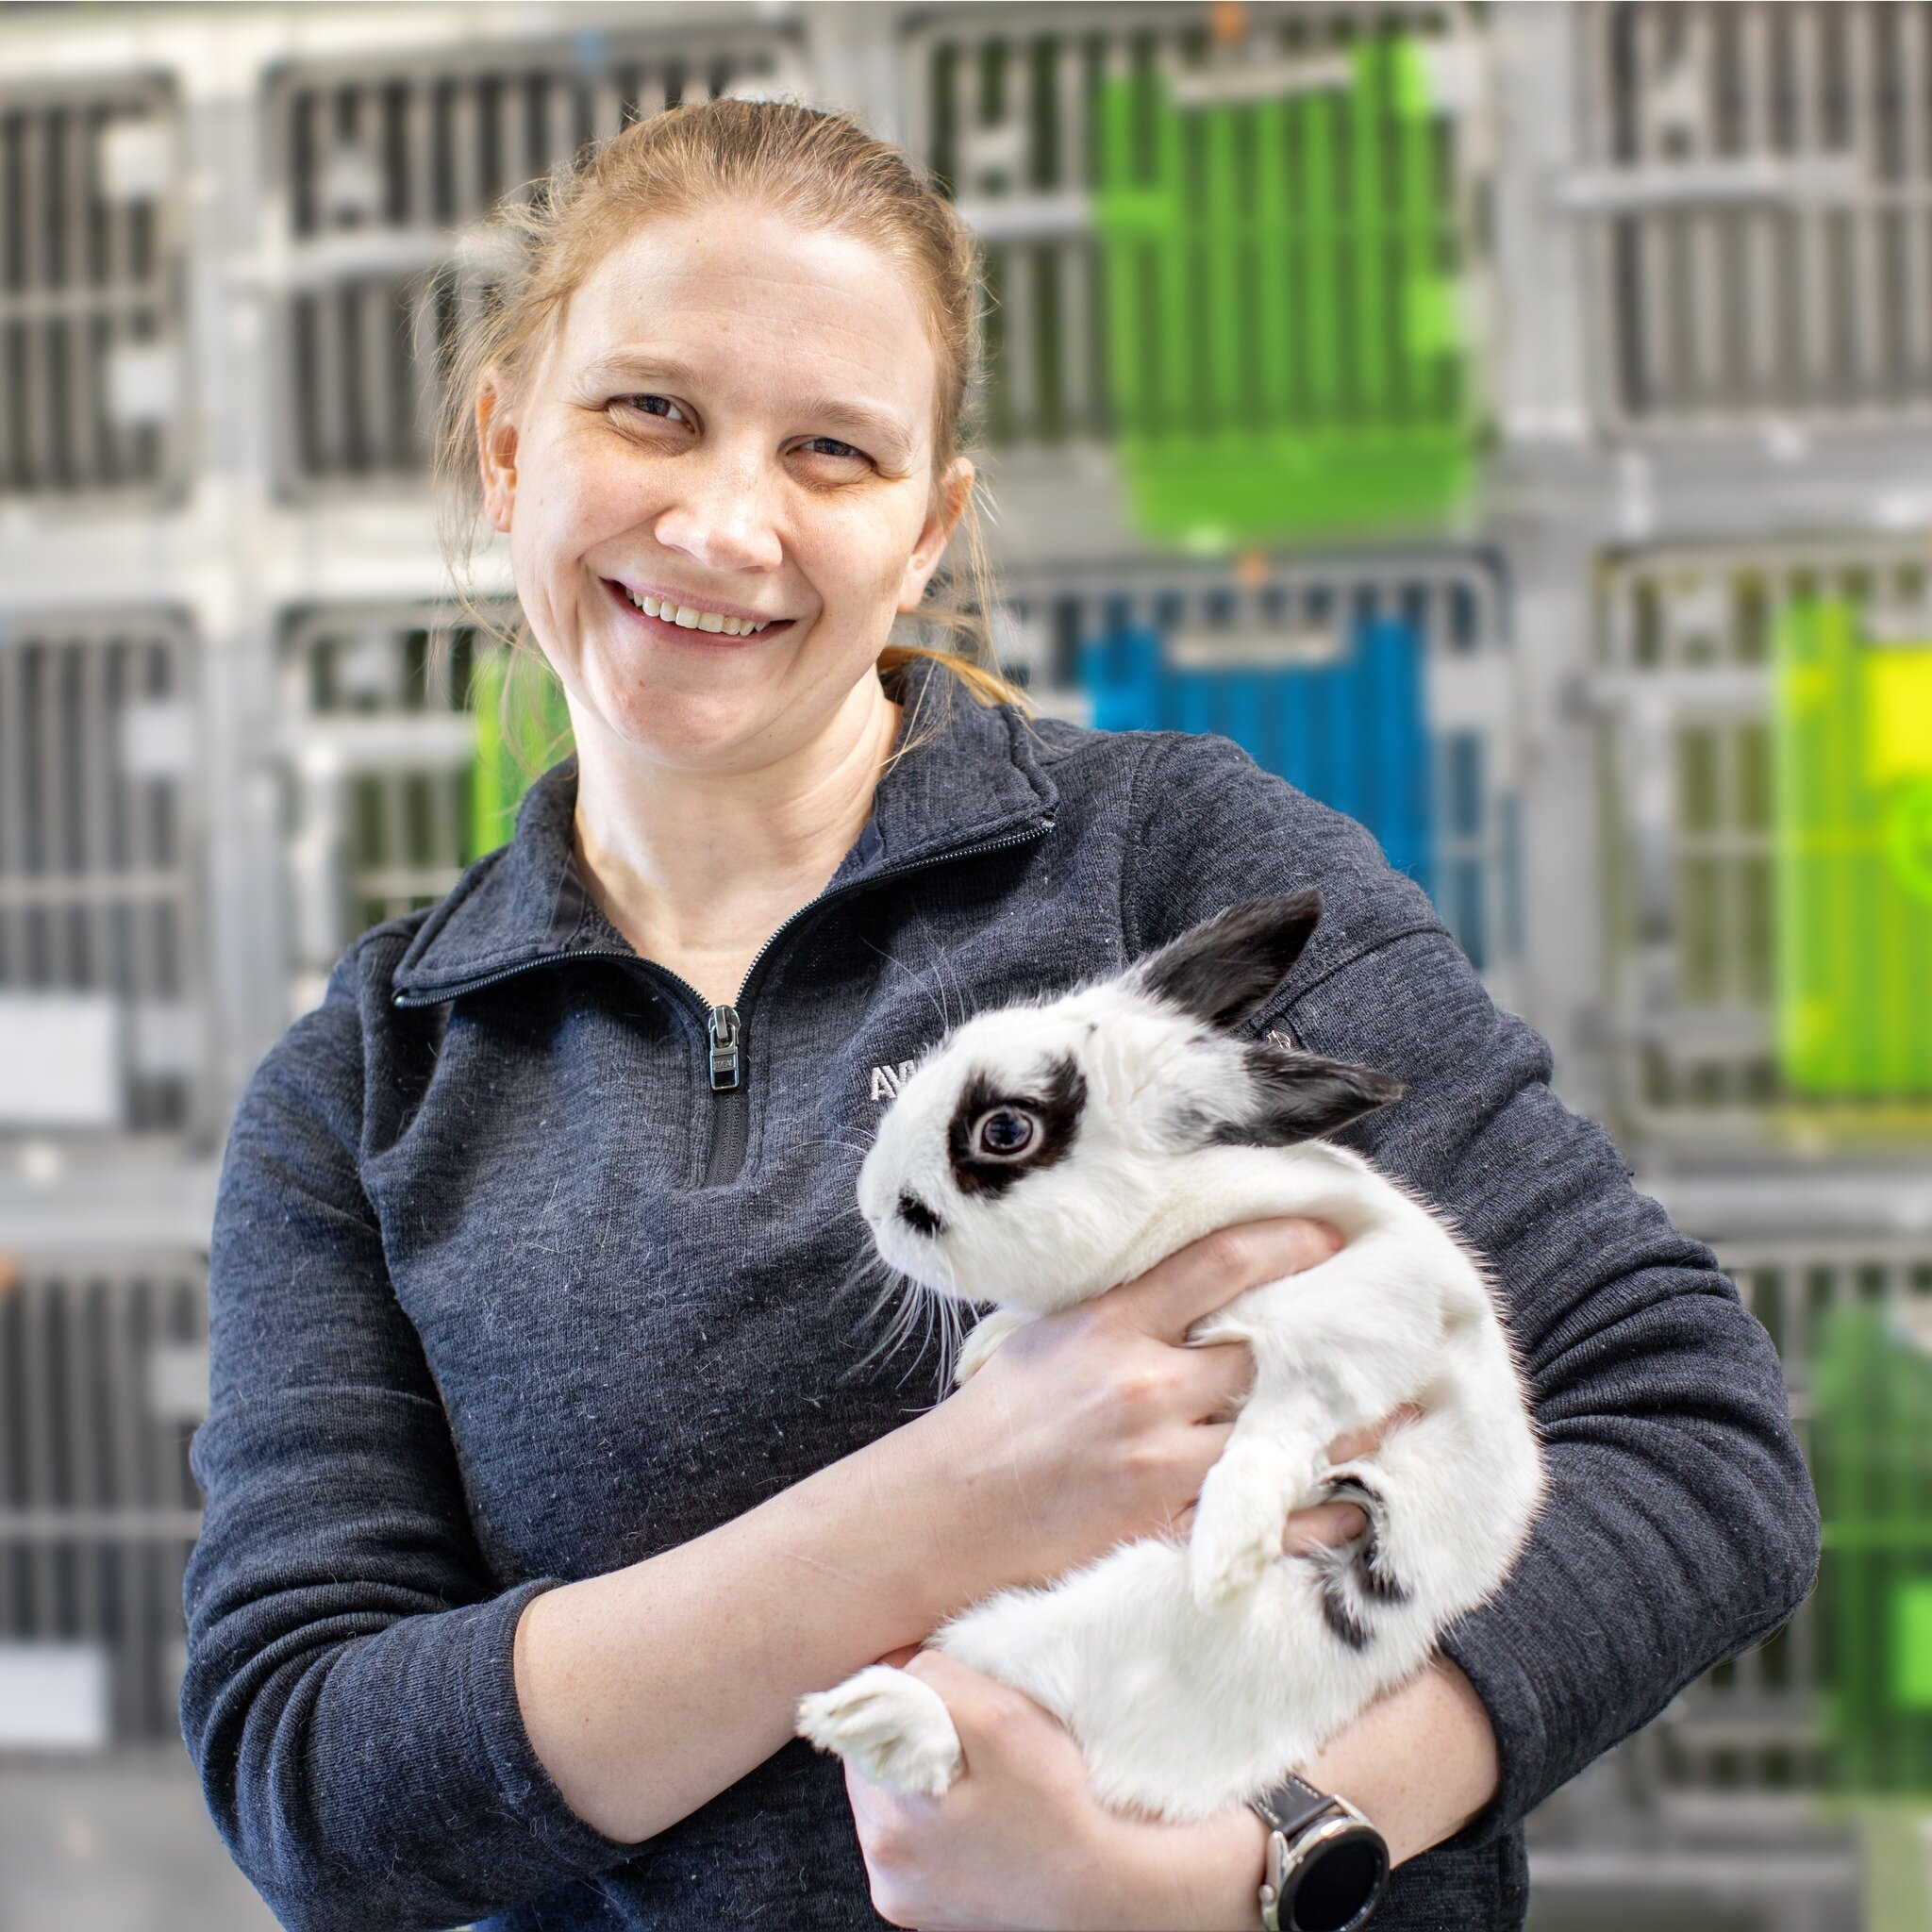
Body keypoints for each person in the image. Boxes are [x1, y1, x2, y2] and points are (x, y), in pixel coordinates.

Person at [179, 99, 1818, 1932]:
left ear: (926, 528)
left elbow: (1684, 1433)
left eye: (833, 451)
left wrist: (1232, 1862)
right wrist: (961, 1494)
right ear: (504, 448)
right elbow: (304, 1770)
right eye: (649, 409)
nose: (723, 519)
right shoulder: (368, 1083)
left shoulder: (1172, 870)